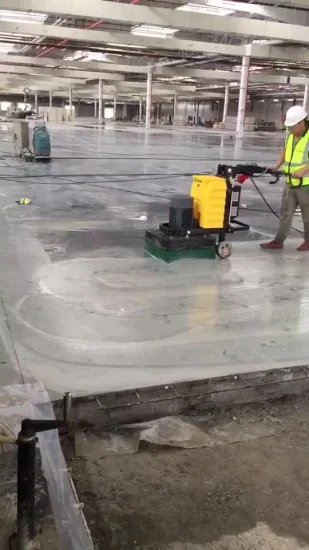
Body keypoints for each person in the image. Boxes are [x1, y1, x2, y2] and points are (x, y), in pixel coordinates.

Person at [261, 105, 309, 251]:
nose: (290, 129)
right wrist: (276, 166)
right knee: (285, 213)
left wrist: (303, 170)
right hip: (290, 182)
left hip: (306, 184)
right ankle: (278, 241)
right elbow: (285, 151)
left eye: (293, 126)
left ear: (302, 122)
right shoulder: (290, 133)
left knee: (307, 216)